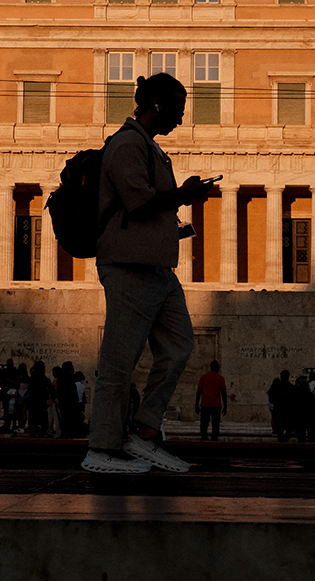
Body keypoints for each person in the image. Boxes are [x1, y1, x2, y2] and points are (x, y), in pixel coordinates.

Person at [81, 73, 216, 474]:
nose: (181, 117)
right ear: (156, 104)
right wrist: (184, 194)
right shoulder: (126, 144)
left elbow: (149, 211)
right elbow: (138, 203)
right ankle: (102, 447)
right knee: (119, 362)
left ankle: (144, 430)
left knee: (179, 347)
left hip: (158, 269)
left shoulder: (152, 149)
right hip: (129, 267)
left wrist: (176, 213)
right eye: (177, 108)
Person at [195, 360, 227, 441]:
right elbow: (223, 393)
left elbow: (199, 391)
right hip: (216, 405)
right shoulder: (220, 378)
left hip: (205, 404)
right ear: (217, 368)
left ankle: (204, 438)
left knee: (204, 424)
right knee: (215, 425)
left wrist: (196, 404)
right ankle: (214, 440)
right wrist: (225, 406)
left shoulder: (203, 377)